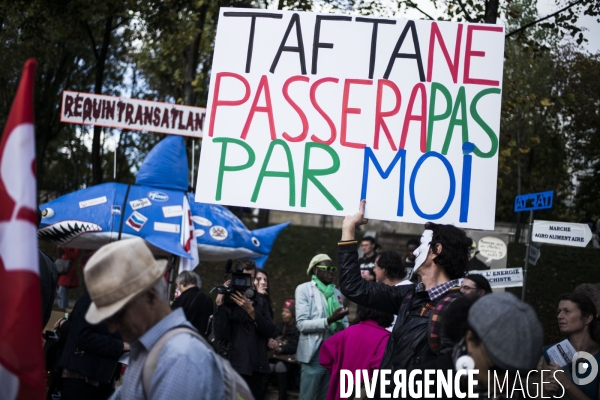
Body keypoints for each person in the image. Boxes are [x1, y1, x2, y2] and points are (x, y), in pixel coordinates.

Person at [339, 200, 471, 374]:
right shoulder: (410, 295)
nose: (415, 251)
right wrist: (348, 229)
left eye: (421, 244)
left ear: (436, 250)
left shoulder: (458, 310)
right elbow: (353, 287)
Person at [84, 238, 225, 399]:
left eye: (117, 315)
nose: (111, 327)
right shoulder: (152, 350)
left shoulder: (179, 358)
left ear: (151, 297)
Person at [407, 292, 543, 399]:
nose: (504, 383)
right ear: (471, 340)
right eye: (497, 370)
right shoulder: (416, 387)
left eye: (516, 375)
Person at [214, 258, 275, 400]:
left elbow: (269, 331)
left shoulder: (260, 301)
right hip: (234, 366)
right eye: (243, 278)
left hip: (257, 368)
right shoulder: (226, 301)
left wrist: (252, 311)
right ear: (235, 277)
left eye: (251, 278)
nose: (248, 282)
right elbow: (221, 336)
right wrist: (220, 305)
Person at [295, 254, 349, 400]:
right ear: (315, 270)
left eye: (333, 269)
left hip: (333, 354)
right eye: (326, 268)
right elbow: (301, 324)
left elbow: (343, 323)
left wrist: (346, 327)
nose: (331, 271)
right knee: (307, 397)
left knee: (325, 397)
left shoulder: (336, 293)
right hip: (313, 355)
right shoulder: (304, 289)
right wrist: (329, 320)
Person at [56, 291, 125, 400]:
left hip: (103, 379)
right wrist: (121, 346)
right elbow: (83, 336)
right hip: (81, 379)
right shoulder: (91, 299)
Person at [320, 307, 394, 400]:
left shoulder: (347, 332)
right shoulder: (386, 338)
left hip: (340, 391)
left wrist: (337, 372)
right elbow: (382, 369)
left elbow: (325, 356)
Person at [543, 293, 600, 400]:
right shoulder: (551, 352)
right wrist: (548, 392)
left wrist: (565, 383)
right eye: (559, 312)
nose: (559, 316)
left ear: (587, 318)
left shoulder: (598, 357)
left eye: (567, 311)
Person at [372, 251, 412, 331]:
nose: (373, 270)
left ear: (385, 270)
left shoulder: (410, 291)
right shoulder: (381, 290)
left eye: (375, 266)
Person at [269, 299, 300, 400]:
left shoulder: (298, 328)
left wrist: (281, 348)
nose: (283, 314)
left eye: (287, 312)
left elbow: (294, 346)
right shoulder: (279, 326)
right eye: (283, 311)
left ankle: (282, 397)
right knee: (269, 365)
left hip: (291, 363)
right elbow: (271, 337)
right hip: (276, 358)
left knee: (279, 366)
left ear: (293, 314)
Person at [171, 270, 214, 339]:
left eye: (178, 285)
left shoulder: (180, 300)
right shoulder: (208, 299)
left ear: (182, 282)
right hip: (203, 342)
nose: (178, 288)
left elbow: (172, 324)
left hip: (183, 340)